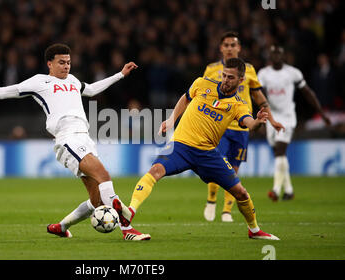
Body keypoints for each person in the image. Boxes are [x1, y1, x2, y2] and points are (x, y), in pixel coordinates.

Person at [0, 43, 150, 241]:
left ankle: (61, 227)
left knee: (97, 199)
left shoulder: (72, 80)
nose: (66, 66)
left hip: (85, 137)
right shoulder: (39, 82)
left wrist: (120, 74)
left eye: (69, 62)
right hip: (67, 138)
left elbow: (90, 89)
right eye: (61, 62)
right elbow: (2, 93)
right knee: (104, 175)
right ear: (50, 64)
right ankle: (127, 229)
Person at [113, 58, 280, 240]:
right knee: (155, 170)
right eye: (224, 75)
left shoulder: (239, 105)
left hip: (207, 153)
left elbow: (249, 123)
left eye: (230, 77)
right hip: (181, 146)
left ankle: (254, 230)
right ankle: (130, 211)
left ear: (241, 80)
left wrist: (257, 122)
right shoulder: (203, 83)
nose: (225, 80)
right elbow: (185, 98)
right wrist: (171, 120)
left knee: (240, 192)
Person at [199, 31, 283, 222]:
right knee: (215, 164)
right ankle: (211, 199)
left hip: (242, 127)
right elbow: (202, 96)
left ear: (239, 48)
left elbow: (259, 97)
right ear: (221, 48)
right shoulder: (211, 69)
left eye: (233, 45)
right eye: (226, 45)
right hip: (219, 124)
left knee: (233, 169)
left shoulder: (249, 70)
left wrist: (272, 119)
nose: (229, 48)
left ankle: (227, 210)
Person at [258, 45, 331, 201]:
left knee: (280, 151)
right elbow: (258, 95)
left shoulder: (293, 73)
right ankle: (289, 190)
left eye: (279, 52)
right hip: (271, 116)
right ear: (269, 56)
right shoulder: (263, 74)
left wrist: (322, 113)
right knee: (279, 156)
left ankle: (276, 190)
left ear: (283, 55)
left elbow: (308, 93)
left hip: (287, 117)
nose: (276, 56)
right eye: (273, 53)